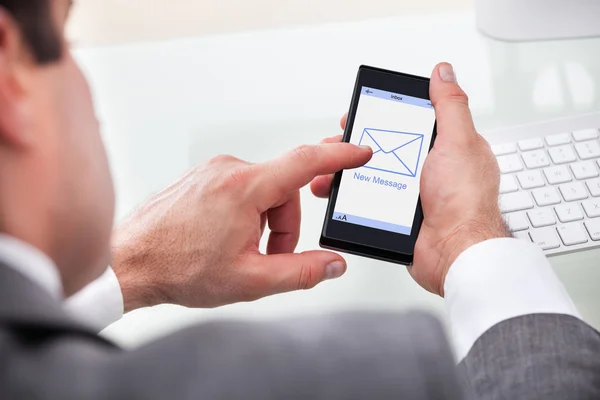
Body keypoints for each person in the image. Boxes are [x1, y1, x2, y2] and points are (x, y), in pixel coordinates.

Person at [0, 0, 599, 398]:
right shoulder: (320, 377)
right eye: (65, 36)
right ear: (8, 85)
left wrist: (132, 268)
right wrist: (472, 237)